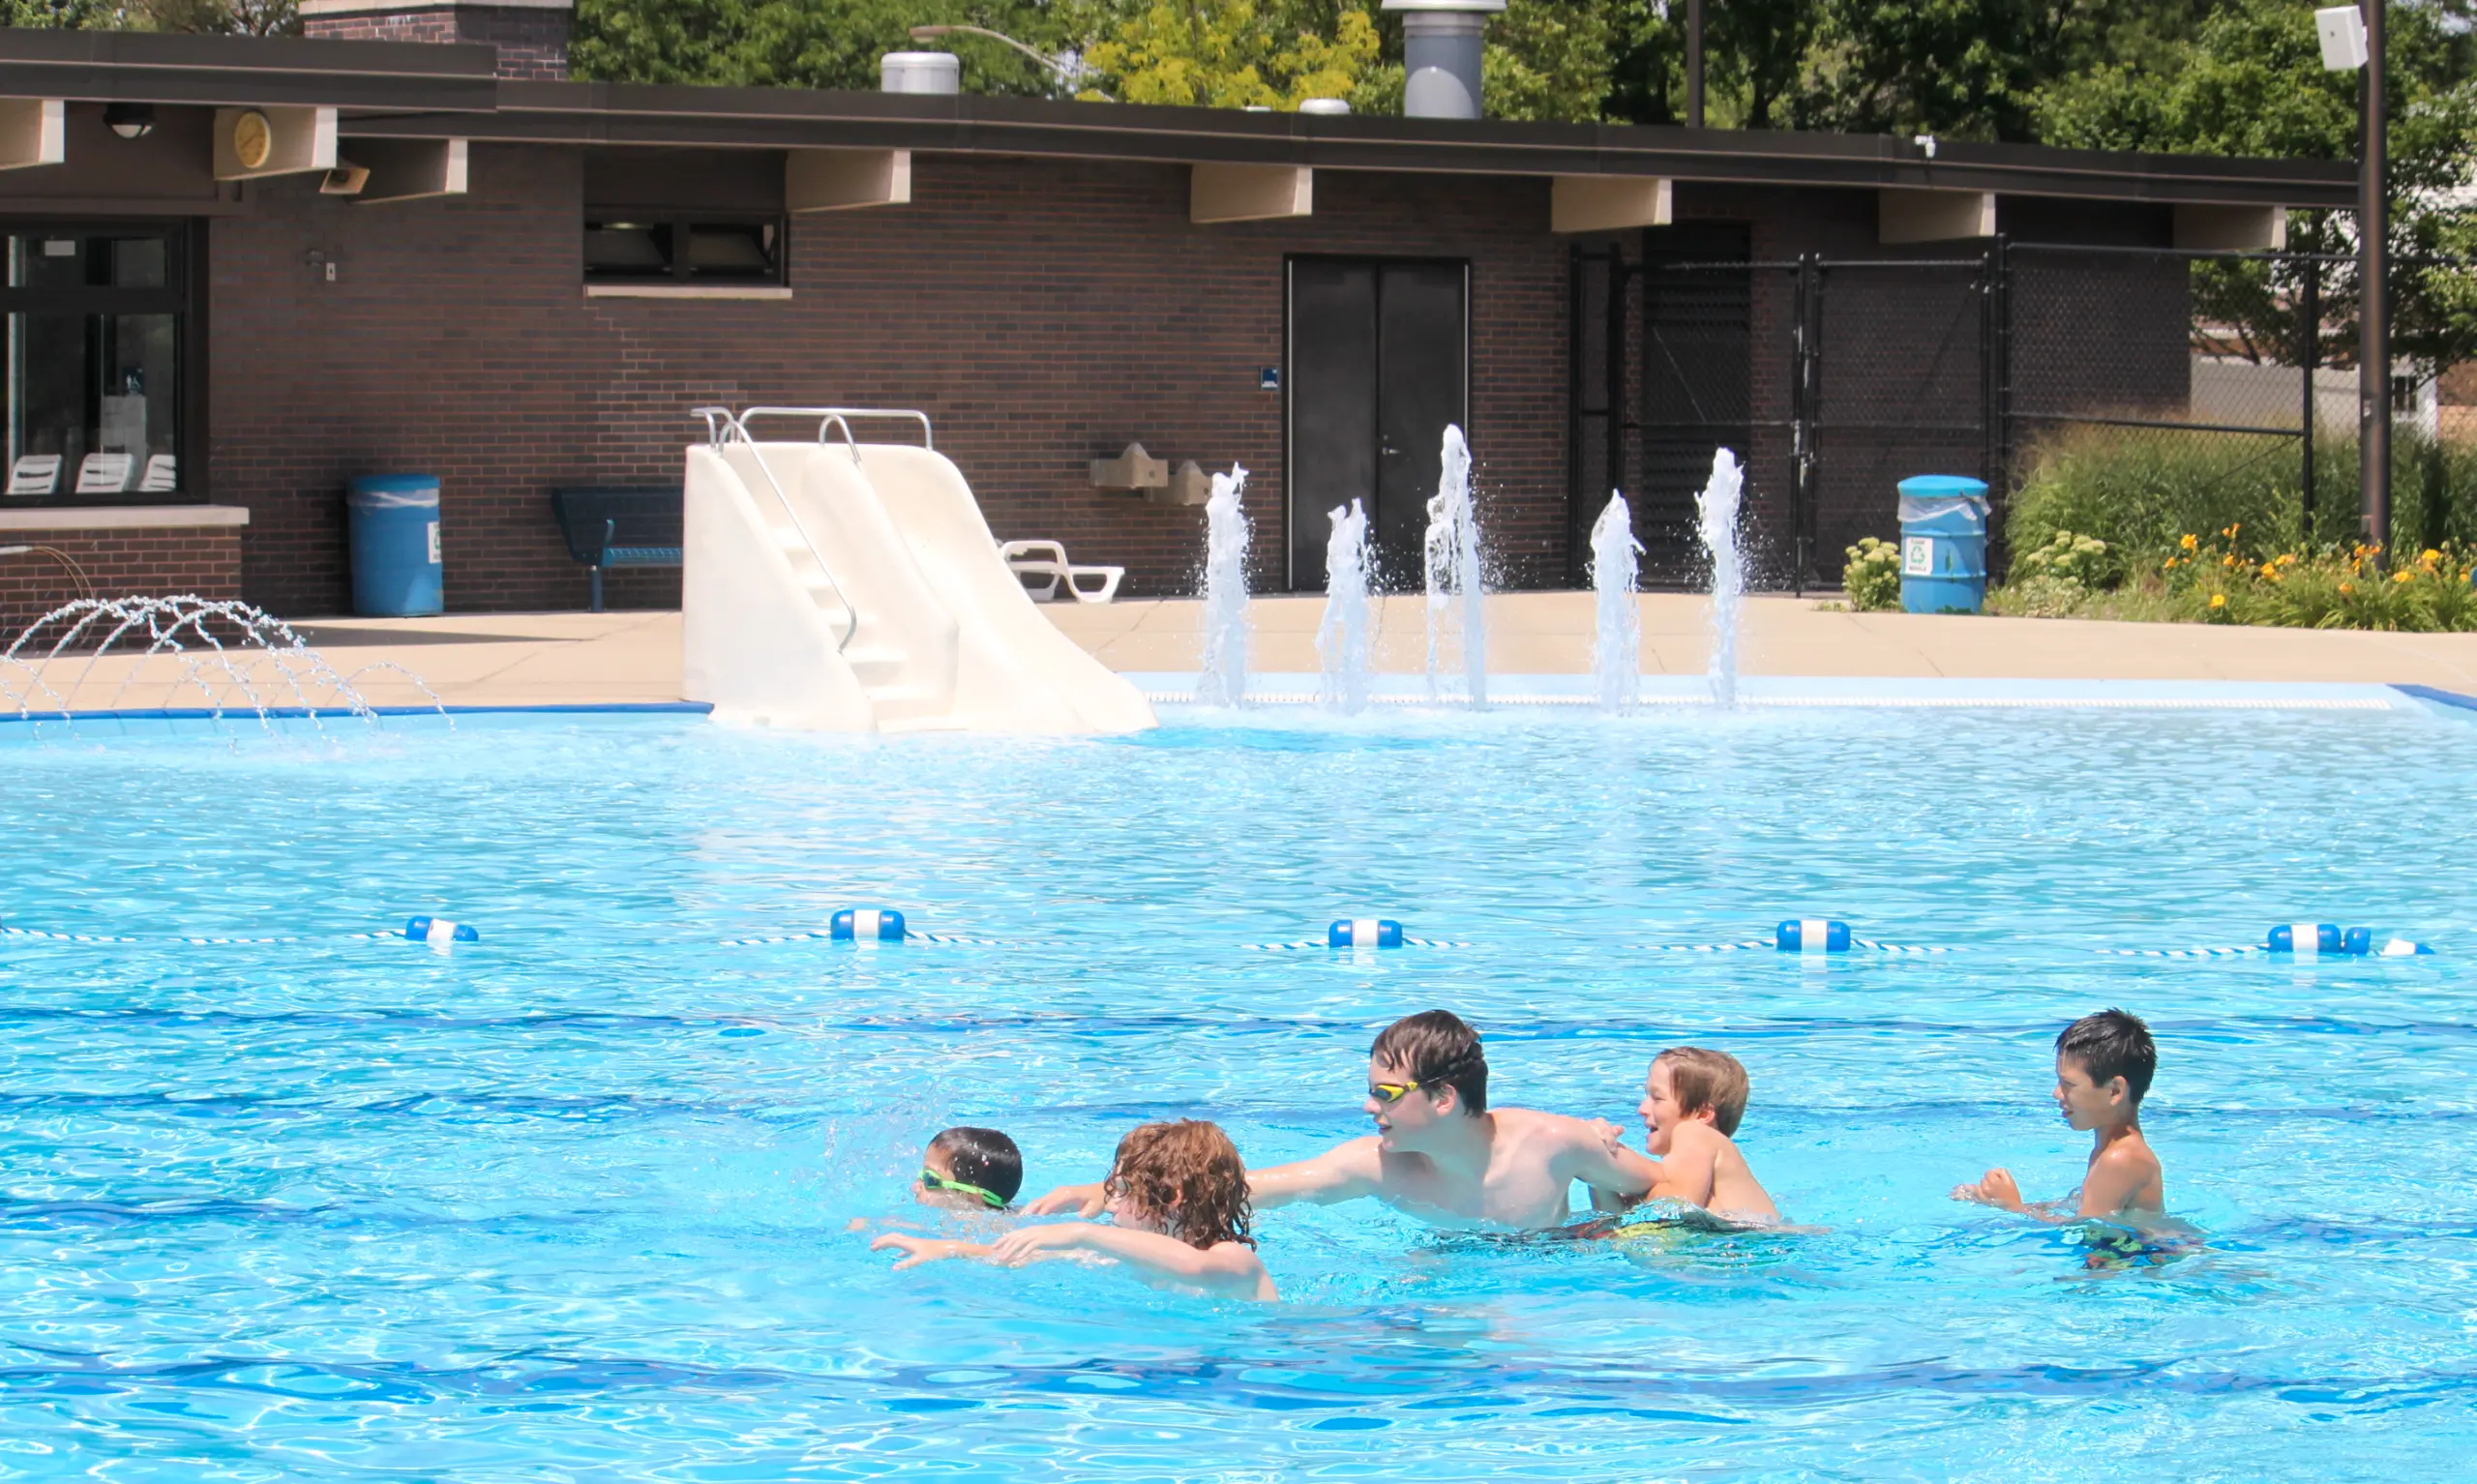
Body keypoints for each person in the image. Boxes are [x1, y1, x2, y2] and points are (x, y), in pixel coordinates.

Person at [1029, 1010, 1651, 1231]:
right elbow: (1254, 1188)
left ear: (1442, 1098)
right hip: (1445, 1266)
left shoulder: (1556, 1143)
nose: (1368, 1107)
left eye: (1384, 1091)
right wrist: (1109, 1191)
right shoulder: (1377, 1167)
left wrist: (1607, 1209)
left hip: (1551, 1264)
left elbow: (1664, 1188)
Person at [872, 1119, 1276, 1301]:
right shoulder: (1130, 1257)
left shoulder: (1234, 1261)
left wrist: (1084, 1231)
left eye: (1118, 1191)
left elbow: (1196, 1269)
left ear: (1170, 1198)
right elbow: (1035, 1258)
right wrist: (947, 1249)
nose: (1108, 1203)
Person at [1953, 1007, 2164, 1220]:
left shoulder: (2119, 1159)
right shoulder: (2112, 1150)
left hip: (2150, 1251)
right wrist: (1998, 1200)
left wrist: (2014, 1207)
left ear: (2114, 1091)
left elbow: (2089, 1232)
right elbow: (2084, 1211)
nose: (2056, 1093)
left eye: (2068, 1084)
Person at [1592, 1047, 1779, 1223]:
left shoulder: (1694, 1131)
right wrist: (1598, 1167)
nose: (1642, 1109)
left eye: (1657, 1098)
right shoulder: (1692, 1175)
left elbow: (1678, 1206)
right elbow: (1613, 1219)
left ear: (1703, 1115)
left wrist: (1627, 1175)